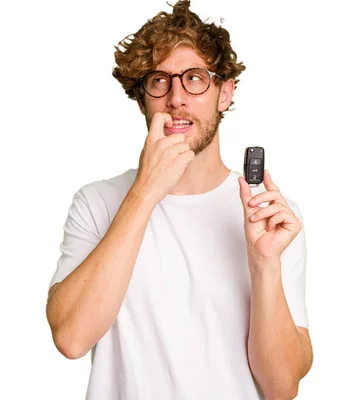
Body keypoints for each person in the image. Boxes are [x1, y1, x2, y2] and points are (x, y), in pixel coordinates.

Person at [46, 1, 313, 398]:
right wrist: (146, 192)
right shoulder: (98, 202)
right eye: (159, 81)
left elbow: (281, 386)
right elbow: (70, 337)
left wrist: (263, 264)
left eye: (194, 78)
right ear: (143, 100)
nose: (176, 98)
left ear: (224, 93)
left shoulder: (268, 217)